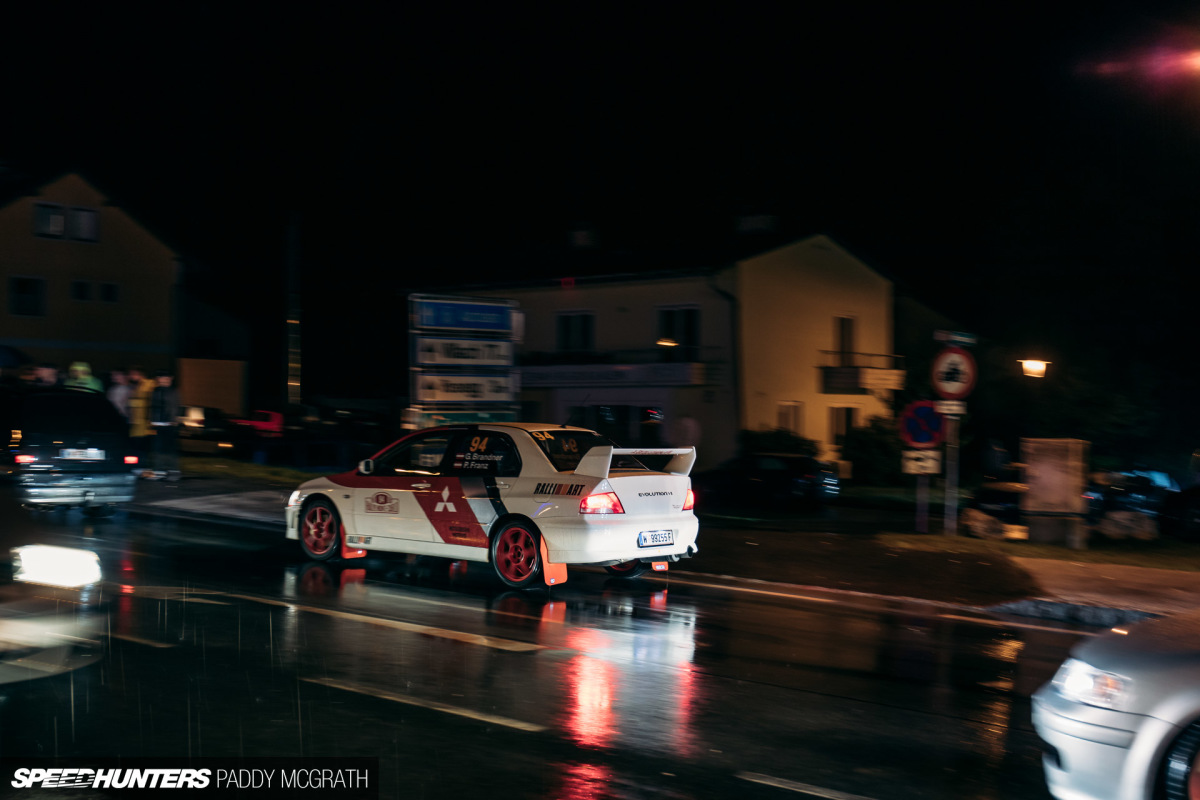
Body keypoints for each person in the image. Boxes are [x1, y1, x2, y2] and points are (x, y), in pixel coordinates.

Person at [148, 369, 181, 480]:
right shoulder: (156, 390)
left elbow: (174, 407)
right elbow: (153, 407)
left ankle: (173, 471)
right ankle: (160, 471)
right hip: (158, 424)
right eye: (162, 378)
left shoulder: (172, 391)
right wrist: (152, 420)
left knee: (169, 449)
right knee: (159, 449)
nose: (164, 381)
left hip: (168, 424)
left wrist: (173, 419)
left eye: (167, 379)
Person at [127, 366, 157, 459]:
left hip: (144, 421)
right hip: (136, 421)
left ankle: (144, 464)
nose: (130, 376)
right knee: (136, 443)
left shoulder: (150, 384)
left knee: (143, 444)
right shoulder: (136, 386)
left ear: (138, 374)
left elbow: (151, 401)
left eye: (132, 374)